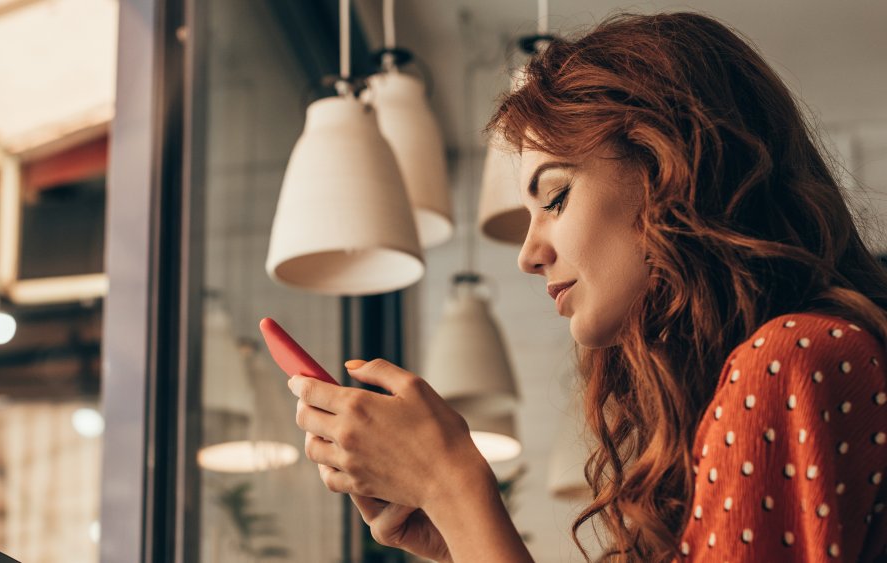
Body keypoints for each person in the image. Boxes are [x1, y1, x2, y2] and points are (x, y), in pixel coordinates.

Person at [287, 12, 887, 562]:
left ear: (668, 164)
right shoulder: (782, 367)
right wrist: (460, 539)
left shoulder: (791, 360)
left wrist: (454, 485)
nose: (528, 255)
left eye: (555, 197)